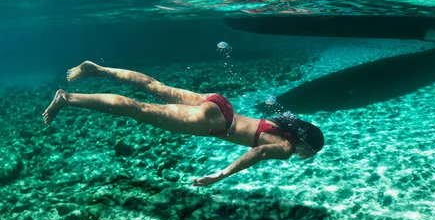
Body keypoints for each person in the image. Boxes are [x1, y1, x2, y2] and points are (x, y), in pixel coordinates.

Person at [42, 61, 324, 187]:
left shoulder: (278, 125)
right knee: (138, 109)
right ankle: (68, 98)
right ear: (306, 144)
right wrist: (221, 175)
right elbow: (258, 153)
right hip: (213, 121)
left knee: (154, 86)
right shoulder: (286, 146)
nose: (306, 157)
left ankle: (101, 69)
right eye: (311, 153)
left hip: (220, 104)